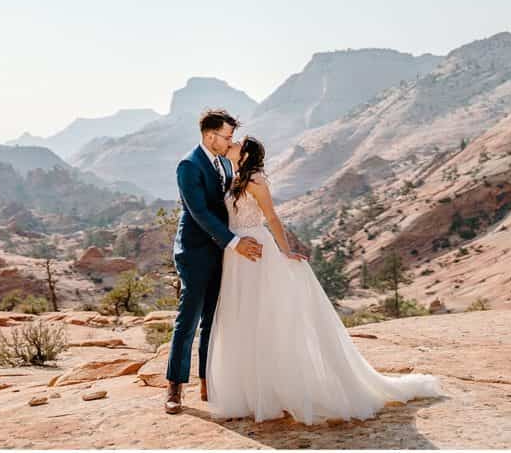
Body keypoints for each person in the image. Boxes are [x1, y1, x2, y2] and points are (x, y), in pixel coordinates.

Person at [205, 135, 445, 425]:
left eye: (234, 144)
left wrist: (286, 251)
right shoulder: (233, 178)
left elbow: (272, 217)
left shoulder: (255, 180)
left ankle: (271, 393)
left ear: (244, 154)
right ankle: (252, 391)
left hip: (256, 250)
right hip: (237, 255)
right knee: (243, 316)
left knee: (263, 317)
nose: (228, 145)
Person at [164, 108, 264, 414]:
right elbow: (200, 213)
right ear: (211, 136)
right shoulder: (188, 165)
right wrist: (235, 242)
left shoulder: (223, 161)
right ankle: (175, 388)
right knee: (188, 318)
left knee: (213, 319)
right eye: (227, 136)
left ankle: (208, 382)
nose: (230, 141)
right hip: (194, 251)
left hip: (220, 251)